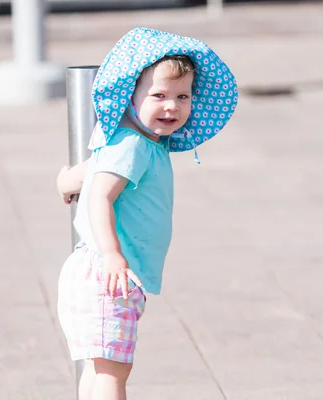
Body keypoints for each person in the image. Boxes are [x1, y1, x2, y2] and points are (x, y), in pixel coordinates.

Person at [55, 27, 238, 400]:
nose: (171, 106)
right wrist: (112, 255)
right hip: (106, 274)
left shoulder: (133, 141)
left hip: (102, 275)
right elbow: (100, 197)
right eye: (158, 95)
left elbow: (90, 173)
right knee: (112, 371)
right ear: (131, 96)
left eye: (182, 96)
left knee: (101, 366)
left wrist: (67, 180)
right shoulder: (133, 145)